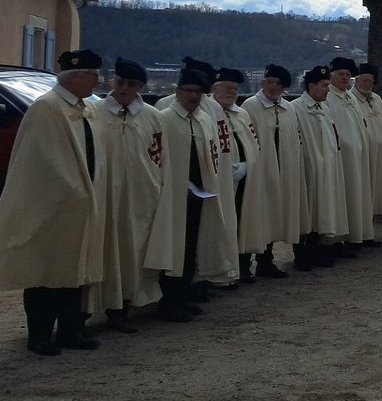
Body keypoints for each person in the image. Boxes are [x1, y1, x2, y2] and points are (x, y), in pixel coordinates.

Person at [0, 49, 108, 355]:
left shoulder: (85, 107)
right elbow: (42, 161)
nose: (97, 81)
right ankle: (40, 335)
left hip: (80, 204)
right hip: (53, 206)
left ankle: (71, 329)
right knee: (45, 271)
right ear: (75, 77)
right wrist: (73, 190)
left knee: (73, 271)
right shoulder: (47, 108)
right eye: (92, 75)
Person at [89, 57, 175, 333]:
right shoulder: (94, 112)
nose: (125, 88)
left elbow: (161, 158)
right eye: (121, 82)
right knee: (100, 250)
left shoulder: (153, 117)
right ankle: (87, 308)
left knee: (132, 252)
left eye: (132, 84)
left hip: (140, 197)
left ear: (140, 86)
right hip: (104, 194)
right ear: (112, 81)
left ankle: (123, 307)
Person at [156, 62, 228, 317]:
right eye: (188, 90)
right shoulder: (164, 119)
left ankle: (185, 291)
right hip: (173, 196)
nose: (193, 96)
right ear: (177, 92)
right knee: (173, 246)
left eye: (198, 92)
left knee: (192, 245)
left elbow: (212, 156)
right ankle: (169, 299)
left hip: (199, 193)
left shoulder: (204, 119)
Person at [209, 67, 275, 285]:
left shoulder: (242, 114)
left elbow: (254, 144)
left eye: (235, 89)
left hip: (244, 180)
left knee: (244, 222)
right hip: (219, 182)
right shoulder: (207, 113)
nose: (231, 92)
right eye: (227, 88)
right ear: (214, 89)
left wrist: (248, 164)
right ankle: (221, 271)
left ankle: (243, 266)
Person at [241, 64, 304, 276]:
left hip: (282, 170)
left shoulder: (288, 108)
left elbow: (293, 139)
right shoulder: (250, 107)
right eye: (270, 82)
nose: (273, 87)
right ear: (262, 83)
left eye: (278, 84)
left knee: (273, 216)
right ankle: (243, 265)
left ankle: (266, 261)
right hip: (260, 170)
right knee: (255, 216)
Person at [291, 65, 350, 267]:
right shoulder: (296, 108)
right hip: (307, 167)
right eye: (324, 85)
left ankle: (316, 249)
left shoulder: (324, 108)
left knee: (321, 209)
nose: (327, 89)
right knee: (306, 210)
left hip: (326, 167)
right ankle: (301, 254)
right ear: (311, 86)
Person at [327, 57, 372, 251]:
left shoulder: (350, 96)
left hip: (357, 155)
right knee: (342, 197)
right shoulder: (328, 97)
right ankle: (338, 239)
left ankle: (356, 234)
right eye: (341, 74)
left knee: (357, 195)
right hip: (342, 156)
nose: (345, 78)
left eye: (347, 75)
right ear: (332, 76)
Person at [353, 62, 382, 231]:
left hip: (379, 154)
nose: (367, 84)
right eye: (364, 80)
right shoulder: (351, 99)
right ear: (357, 80)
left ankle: (369, 230)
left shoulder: (377, 99)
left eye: (370, 81)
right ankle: (359, 231)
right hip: (365, 154)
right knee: (362, 193)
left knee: (374, 193)